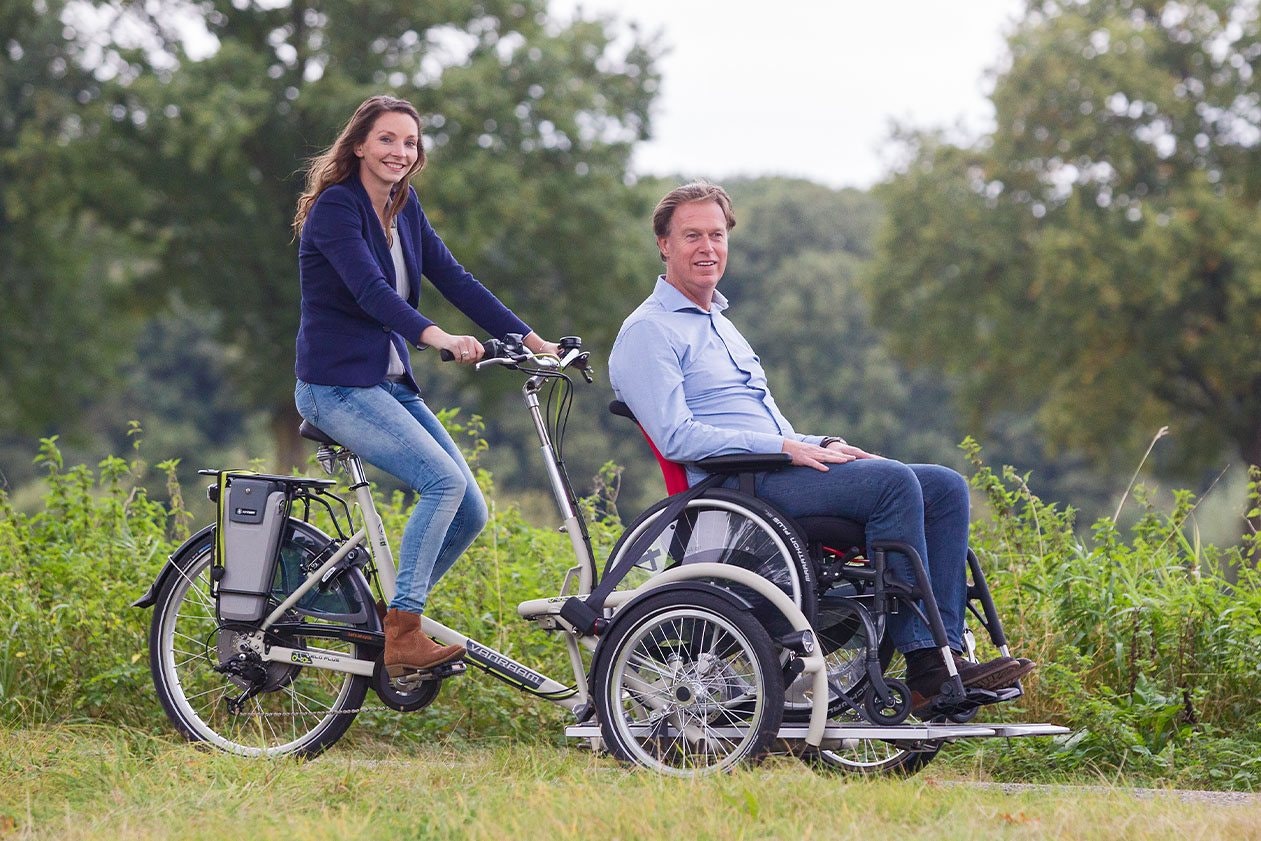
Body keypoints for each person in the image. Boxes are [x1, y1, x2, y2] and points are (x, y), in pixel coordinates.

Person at [608, 181, 1035, 713]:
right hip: (736, 490)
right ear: (663, 244)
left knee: (944, 486)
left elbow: (769, 421)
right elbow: (678, 436)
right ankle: (926, 664)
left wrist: (825, 444)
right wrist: (786, 449)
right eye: (692, 235)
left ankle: (947, 655)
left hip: (773, 468)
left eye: (716, 235)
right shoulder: (648, 331)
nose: (707, 248)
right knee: (893, 485)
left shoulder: (721, 325)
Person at [291, 95, 559, 676]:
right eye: (387, 139)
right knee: (441, 483)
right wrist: (437, 337)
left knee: (470, 510)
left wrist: (534, 341)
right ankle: (404, 631)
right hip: (336, 386)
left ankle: (387, 621)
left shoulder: (404, 208)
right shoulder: (337, 209)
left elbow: (456, 279)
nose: (399, 151)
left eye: (410, 143)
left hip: (387, 383)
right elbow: (370, 293)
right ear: (359, 144)